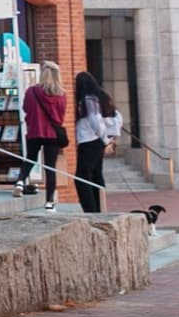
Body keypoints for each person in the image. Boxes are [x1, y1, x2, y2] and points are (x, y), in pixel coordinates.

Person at [69, 67, 117, 213]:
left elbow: (95, 120)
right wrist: (109, 137)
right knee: (96, 174)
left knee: (82, 177)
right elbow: (115, 118)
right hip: (96, 141)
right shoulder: (101, 97)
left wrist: (105, 139)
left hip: (89, 140)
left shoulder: (88, 99)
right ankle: (99, 206)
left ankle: (91, 209)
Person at [21, 62, 69, 203]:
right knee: (50, 168)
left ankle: (20, 181)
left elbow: (25, 108)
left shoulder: (31, 91)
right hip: (52, 134)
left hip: (34, 131)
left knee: (30, 158)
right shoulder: (61, 94)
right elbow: (61, 115)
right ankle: (49, 201)